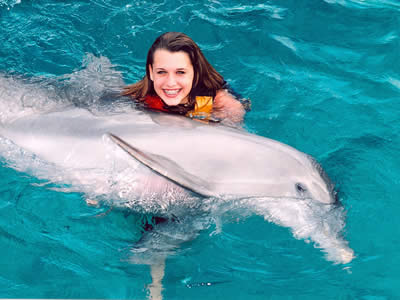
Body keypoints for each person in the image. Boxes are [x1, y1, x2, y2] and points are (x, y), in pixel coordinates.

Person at [122, 32, 249, 124]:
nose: (170, 83)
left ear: (195, 72)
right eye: (161, 72)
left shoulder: (220, 103)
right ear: (151, 72)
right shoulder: (139, 95)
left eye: (180, 72)